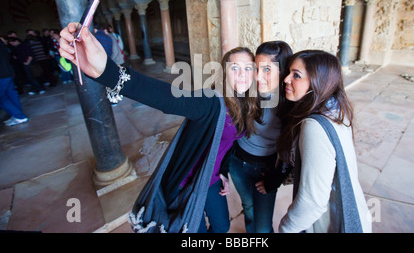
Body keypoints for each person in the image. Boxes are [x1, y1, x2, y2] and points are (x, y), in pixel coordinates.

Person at [58, 23, 261, 233]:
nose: (242, 74)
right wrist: (106, 71)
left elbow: (227, 144)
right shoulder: (209, 102)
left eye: (248, 68)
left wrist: (223, 173)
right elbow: (166, 97)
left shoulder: (246, 104)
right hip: (188, 183)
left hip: (211, 180)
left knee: (222, 226)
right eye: (234, 68)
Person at [275, 50, 371, 233]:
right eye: (289, 72)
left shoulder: (314, 126)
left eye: (296, 75)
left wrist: (286, 228)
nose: (286, 79)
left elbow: (313, 201)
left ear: (318, 81)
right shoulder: (336, 109)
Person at [226, 41, 292, 233]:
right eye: (255, 68)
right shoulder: (246, 89)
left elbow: (291, 148)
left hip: (266, 169)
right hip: (237, 162)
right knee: (248, 209)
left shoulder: (289, 102)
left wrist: (276, 178)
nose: (257, 76)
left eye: (266, 70)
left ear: (282, 71)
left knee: (263, 227)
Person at [0, 37, 28, 126]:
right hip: (9, 72)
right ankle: (17, 115)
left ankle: (19, 116)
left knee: (2, 98)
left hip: (1, 75)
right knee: (12, 94)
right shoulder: (2, 44)